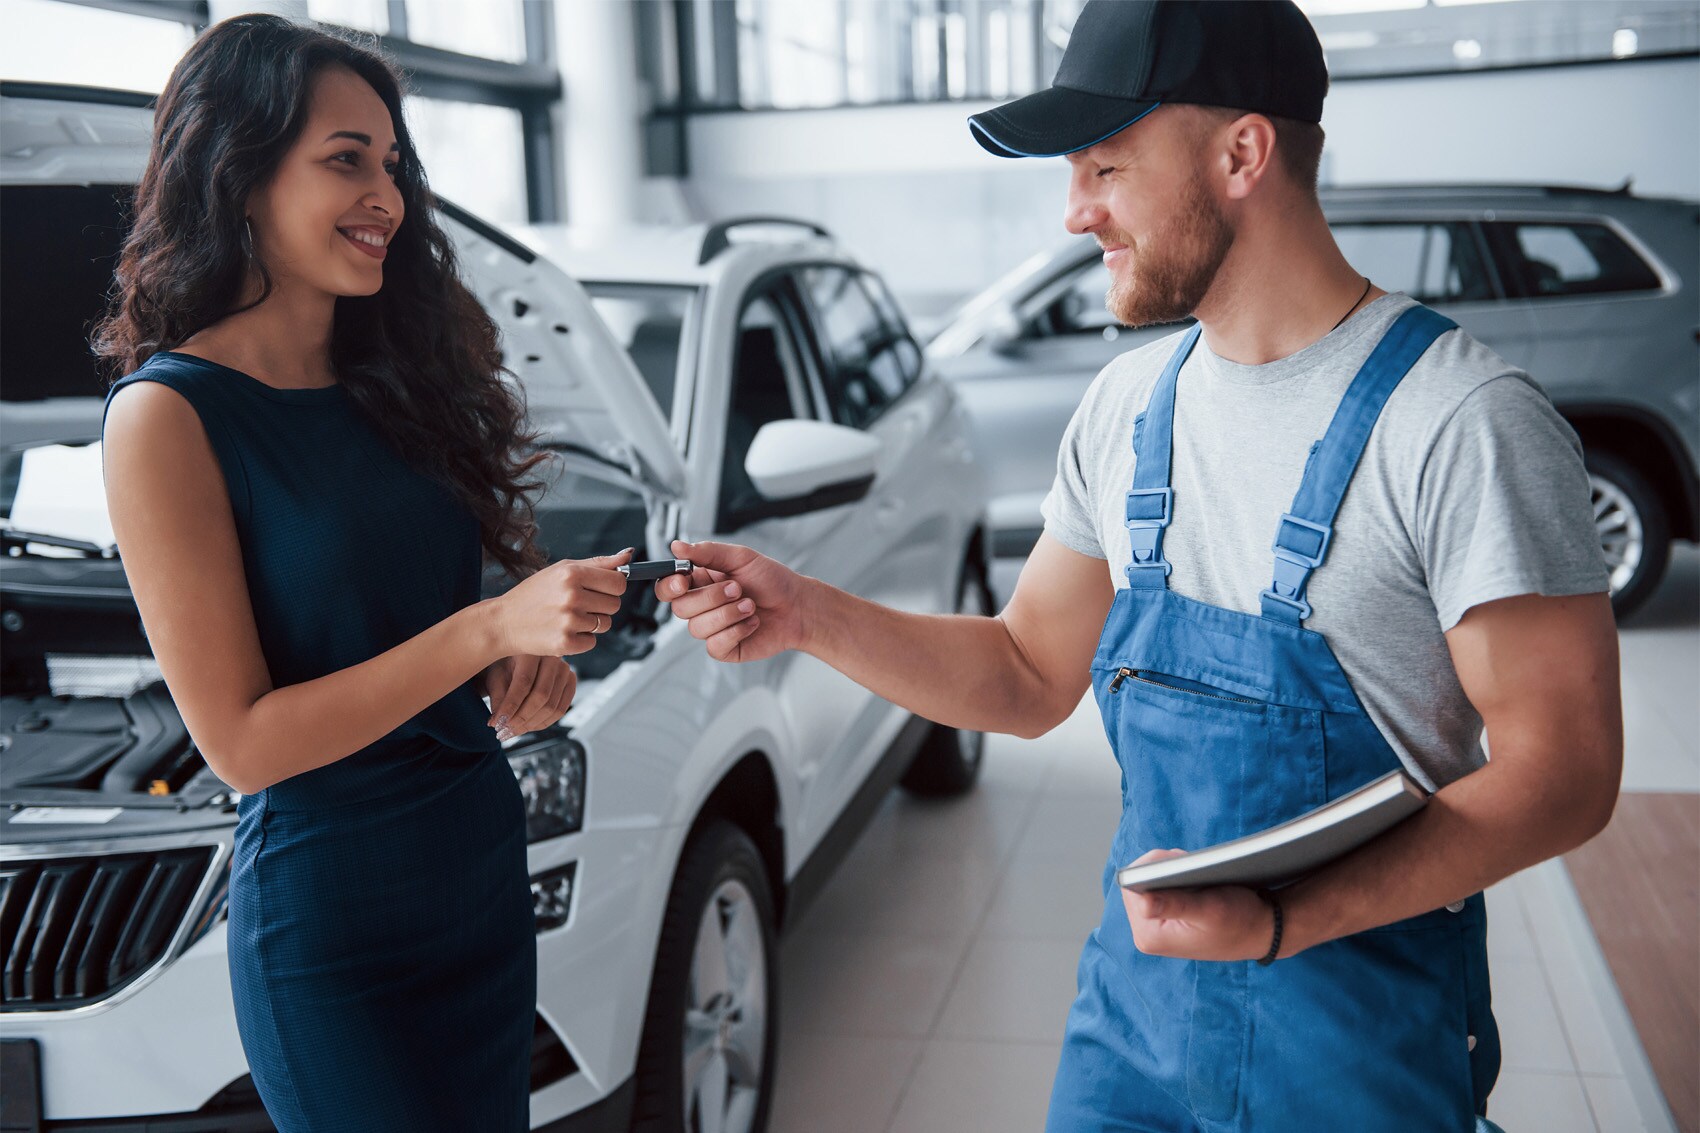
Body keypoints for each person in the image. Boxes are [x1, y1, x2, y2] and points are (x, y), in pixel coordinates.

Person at [653, 2, 1623, 1129]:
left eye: (1105, 166)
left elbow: (1565, 770)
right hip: (1134, 1026)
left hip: (1355, 1037)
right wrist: (806, 614)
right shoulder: (1126, 409)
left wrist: (1277, 919)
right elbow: (1023, 670)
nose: (1073, 212)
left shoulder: (1459, 421)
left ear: (1241, 153)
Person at [96, 15, 628, 1132]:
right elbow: (241, 739)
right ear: (237, 172)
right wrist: (482, 634)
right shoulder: (167, 416)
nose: (385, 194)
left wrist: (519, 669)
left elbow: (416, 639)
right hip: (333, 919)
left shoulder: (398, 379)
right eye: (346, 159)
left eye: (392, 164)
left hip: (475, 863)